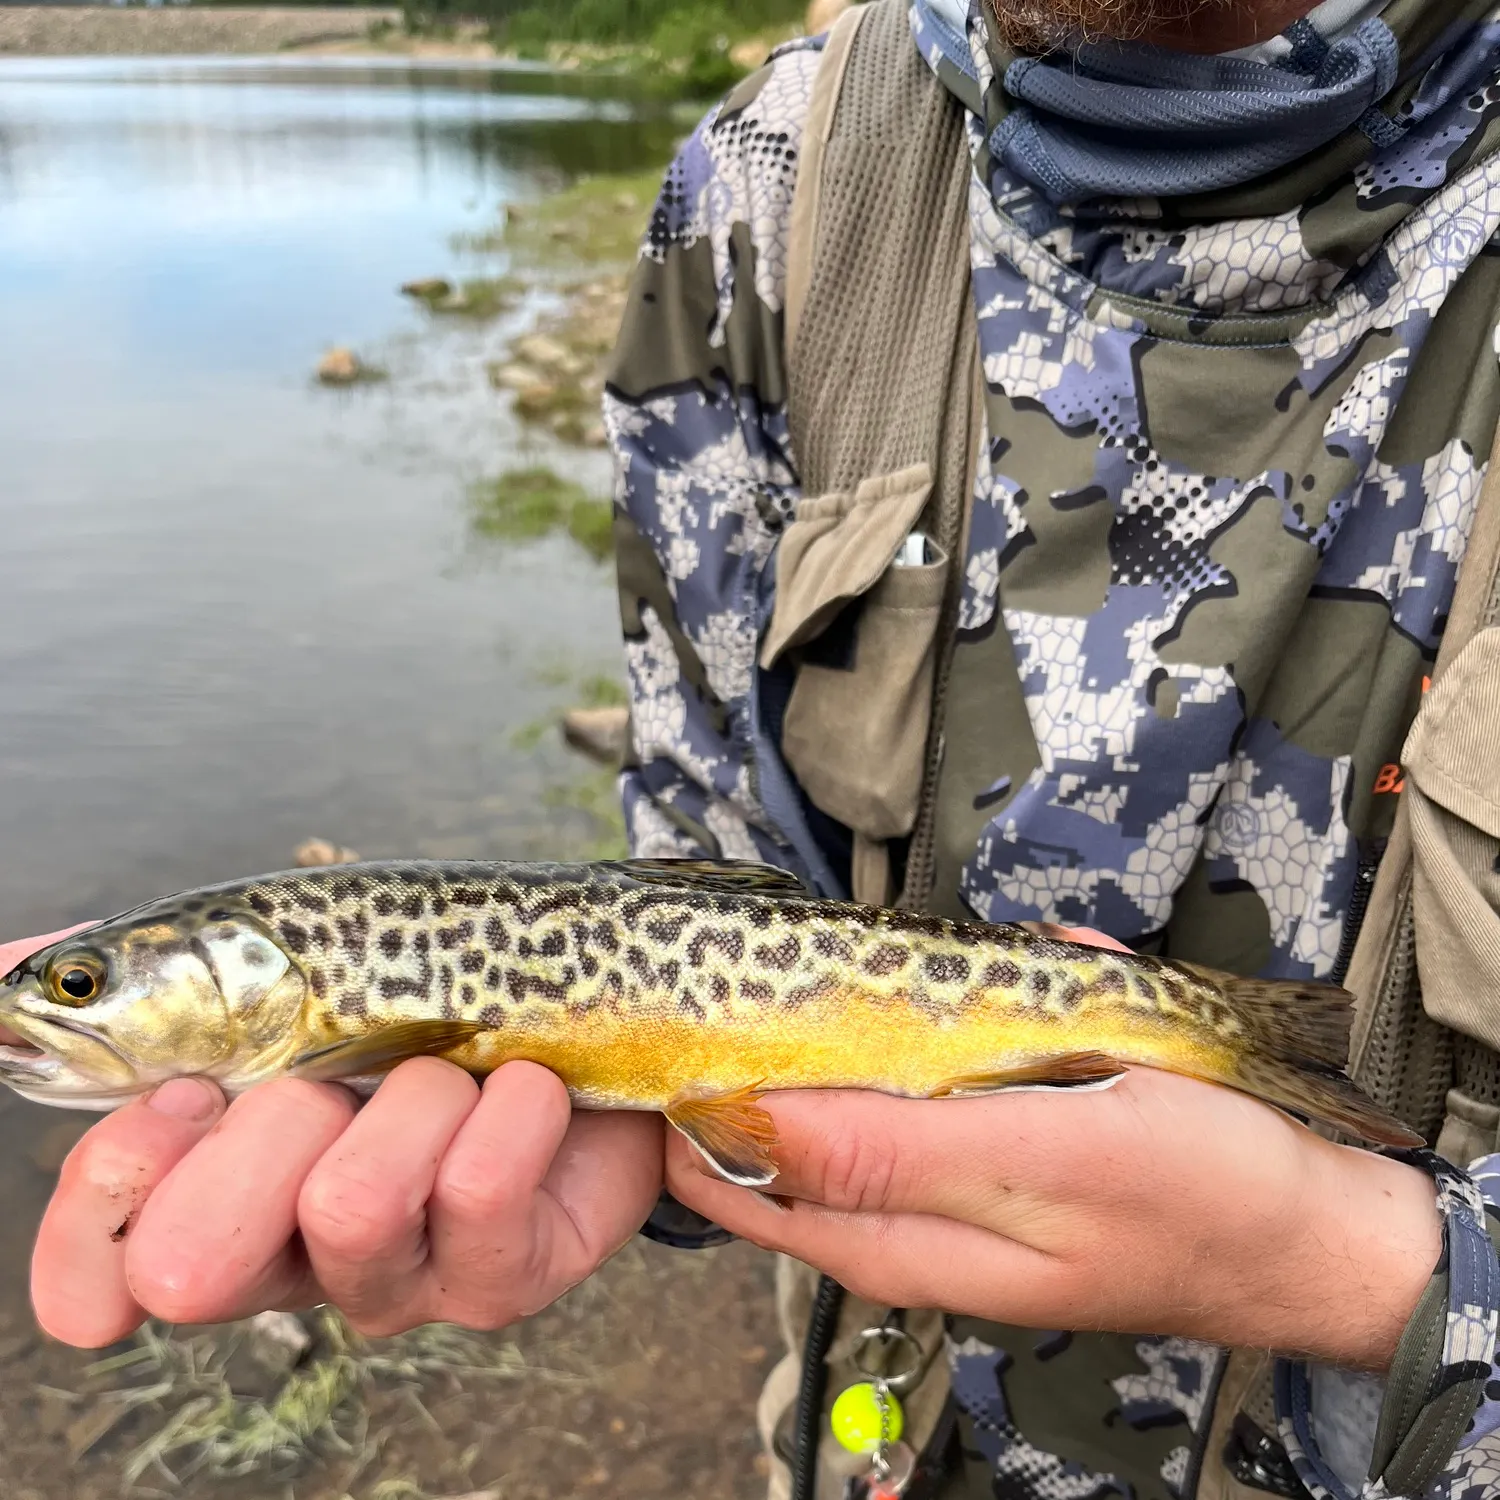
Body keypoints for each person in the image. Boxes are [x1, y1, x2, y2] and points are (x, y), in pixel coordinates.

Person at [12, 0, 1500, 1494]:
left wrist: (1375, 1279)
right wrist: (646, 1166)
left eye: (83, 983)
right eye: (86, 986)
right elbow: (717, 872)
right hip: (886, 1433)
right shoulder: (773, 190)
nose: (64, 1005)